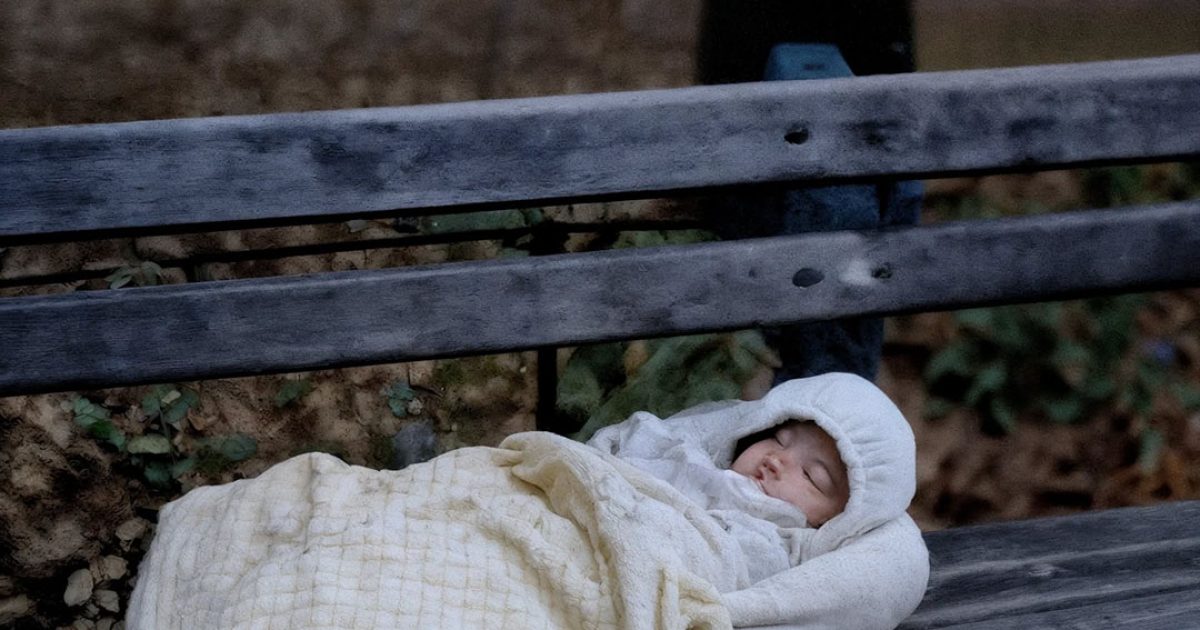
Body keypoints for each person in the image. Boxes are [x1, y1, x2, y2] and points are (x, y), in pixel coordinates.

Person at [588, 371, 929, 627]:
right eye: (779, 440)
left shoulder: (781, 543)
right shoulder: (692, 458)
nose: (777, 460)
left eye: (811, 475)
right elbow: (618, 460)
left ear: (834, 519)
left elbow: (722, 570)